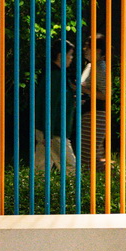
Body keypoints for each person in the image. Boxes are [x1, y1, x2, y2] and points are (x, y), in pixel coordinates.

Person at [34, 40, 78, 173]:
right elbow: (50, 105)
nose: (71, 58)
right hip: (55, 131)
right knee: (70, 167)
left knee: (41, 166)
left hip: (48, 130)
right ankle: (74, 188)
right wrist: (48, 134)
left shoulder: (54, 74)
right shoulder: (56, 76)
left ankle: (34, 186)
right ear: (60, 56)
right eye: (70, 55)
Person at [81, 34, 108, 170]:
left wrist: (83, 90)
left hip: (96, 115)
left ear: (97, 50)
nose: (85, 49)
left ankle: (118, 175)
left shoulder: (100, 67)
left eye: (88, 47)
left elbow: (106, 94)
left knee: (87, 158)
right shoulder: (91, 66)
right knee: (92, 157)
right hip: (89, 114)